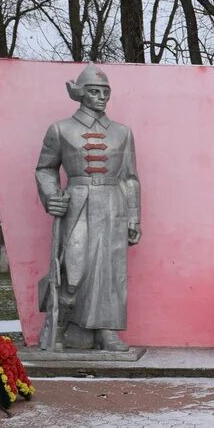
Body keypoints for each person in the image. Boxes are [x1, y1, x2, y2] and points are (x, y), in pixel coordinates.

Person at [35, 63, 140, 351]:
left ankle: (107, 330)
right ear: (80, 94)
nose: (101, 97)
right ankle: (58, 325)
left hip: (112, 204)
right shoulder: (61, 129)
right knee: (71, 266)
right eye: (94, 91)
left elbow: (130, 178)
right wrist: (51, 195)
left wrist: (133, 218)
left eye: (105, 91)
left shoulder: (123, 132)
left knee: (110, 269)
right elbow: (45, 169)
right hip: (77, 201)